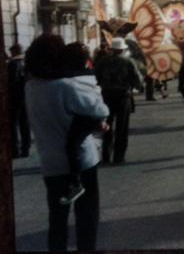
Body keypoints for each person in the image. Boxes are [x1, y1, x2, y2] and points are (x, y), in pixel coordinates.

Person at [25, 34, 109, 251]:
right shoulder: (66, 86)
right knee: (87, 216)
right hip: (81, 159)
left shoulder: (31, 88)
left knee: (57, 219)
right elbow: (100, 110)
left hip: (50, 161)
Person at [59, 43, 109, 206]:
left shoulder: (68, 77)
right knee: (76, 142)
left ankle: (75, 182)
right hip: (92, 112)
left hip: (85, 114)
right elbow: (96, 93)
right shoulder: (87, 71)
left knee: (71, 144)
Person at [95, 37, 142, 164]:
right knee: (122, 127)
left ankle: (105, 155)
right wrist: (139, 87)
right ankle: (119, 156)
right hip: (123, 96)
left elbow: (96, 78)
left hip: (106, 96)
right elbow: (137, 79)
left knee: (106, 126)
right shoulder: (128, 62)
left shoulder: (102, 62)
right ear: (122, 49)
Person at [8, 43, 31, 158]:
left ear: (14, 51)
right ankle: (26, 148)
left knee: (13, 124)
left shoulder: (13, 64)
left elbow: (12, 82)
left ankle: (15, 149)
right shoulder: (26, 63)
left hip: (14, 98)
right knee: (24, 123)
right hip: (25, 96)